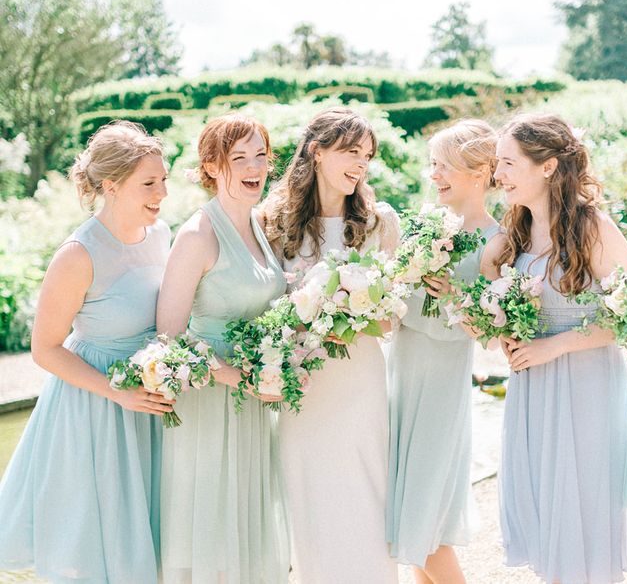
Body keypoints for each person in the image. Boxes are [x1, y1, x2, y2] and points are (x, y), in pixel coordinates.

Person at [0, 121, 173, 583]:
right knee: (97, 546)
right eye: (149, 183)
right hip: (94, 409)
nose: (163, 193)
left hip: (150, 401)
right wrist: (117, 393)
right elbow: (45, 349)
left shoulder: (161, 236)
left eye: (164, 179)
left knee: (152, 543)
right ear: (111, 186)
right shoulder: (78, 254)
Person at [485, 113, 627, 583]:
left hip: (585, 386)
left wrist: (559, 345)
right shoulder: (516, 234)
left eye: (508, 163)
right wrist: (501, 330)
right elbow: (491, 306)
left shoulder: (595, 228)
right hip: (532, 388)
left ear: (547, 166)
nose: (498, 175)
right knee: (546, 507)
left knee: (584, 508)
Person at [263, 106, 400, 584]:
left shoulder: (380, 223)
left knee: (366, 494)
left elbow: (389, 320)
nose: (360, 164)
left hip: (358, 379)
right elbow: (264, 306)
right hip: (302, 383)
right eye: (350, 151)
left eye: (366, 155)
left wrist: (345, 310)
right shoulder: (273, 223)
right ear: (317, 152)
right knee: (309, 495)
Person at [157, 113, 289, 584]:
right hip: (211, 404)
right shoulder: (197, 236)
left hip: (252, 402)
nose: (255, 167)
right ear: (212, 166)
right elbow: (167, 336)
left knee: (245, 533)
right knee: (211, 538)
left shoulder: (258, 224)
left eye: (261, 156)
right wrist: (238, 376)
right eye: (239, 158)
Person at [386, 119, 500, 583]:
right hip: (402, 378)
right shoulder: (423, 226)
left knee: (424, 530)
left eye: (444, 166)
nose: (433, 175)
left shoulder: (497, 241)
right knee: (412, 528)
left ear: (479, 172)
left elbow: (490, 330)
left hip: (440, 387)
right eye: (432, 164)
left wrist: (453, 295)